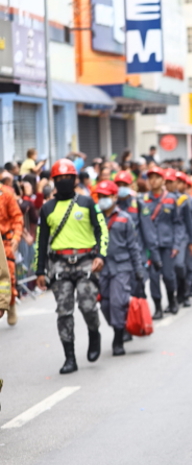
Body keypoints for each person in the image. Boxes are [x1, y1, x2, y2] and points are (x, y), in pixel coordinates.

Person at [34, 159, 108, 374]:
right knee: (64, 312)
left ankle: (94, 334)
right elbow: (41, 241)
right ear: (54, 180)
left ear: (75, 179)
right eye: (60, 178)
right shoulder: (47, 208)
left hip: (86, 261)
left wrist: (101, 255)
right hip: (59, 264)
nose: (64, 181)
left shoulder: (87, 202)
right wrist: (39, 271)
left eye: (68, 177)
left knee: (88, 306)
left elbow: (102, 229)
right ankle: (70, 358)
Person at [94, 180, 145, 356]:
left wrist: (139, 270)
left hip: (122, 266)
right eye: (100, 196)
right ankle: (119, 327)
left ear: (114, 197)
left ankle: (118, 339)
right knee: (105, 304)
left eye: (106, 196)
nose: (102, 199)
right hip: (103, 268)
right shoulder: (95, 218)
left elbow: (133, 247)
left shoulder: (125, 218)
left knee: (117, 302)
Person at [141, 166, 186, 318]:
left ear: (162, 180)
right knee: (153, 277)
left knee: (168, 275)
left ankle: (172, 300)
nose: (153, 181)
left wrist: (176, 245)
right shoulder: (143, 200)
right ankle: (158, 307)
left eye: (157, 178)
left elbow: (178, 223)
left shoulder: (171, 199)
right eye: (151, 178)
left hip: (167, 244)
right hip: (151, 246)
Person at [165, 169, 192, 307]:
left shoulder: (183, 200)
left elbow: (190, 222)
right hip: (166, 238)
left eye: (172, 182)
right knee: (168, 270)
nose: (169, 185)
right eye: (167, 182)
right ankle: (173, 298)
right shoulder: (162, 199)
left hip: (182, 237)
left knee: (180, 265)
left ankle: (184, 292)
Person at [0, 173, 24, 325]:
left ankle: (10, 303)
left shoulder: (6, 194)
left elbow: (17, 217)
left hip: (5, 242)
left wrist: (16, 237)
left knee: (8, 276)